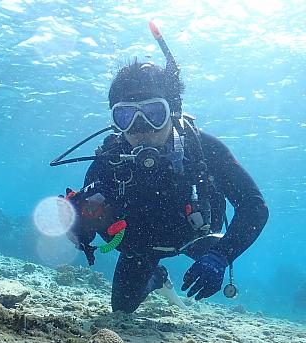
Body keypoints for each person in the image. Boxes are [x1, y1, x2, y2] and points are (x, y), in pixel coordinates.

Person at [61, 57, 268, 313]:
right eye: (126, 116)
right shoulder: (108, 161)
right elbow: (91, 217)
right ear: (116, 122)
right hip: (140, 248)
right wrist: (79, 226)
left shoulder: (204, 150)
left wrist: (222, 255)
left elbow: (254, 207)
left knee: (214, 251)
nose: (141, 128)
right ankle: (157, 278)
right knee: (122, 310)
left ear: (173, 110)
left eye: (154, 114)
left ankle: (208, 258)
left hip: (199, 241)